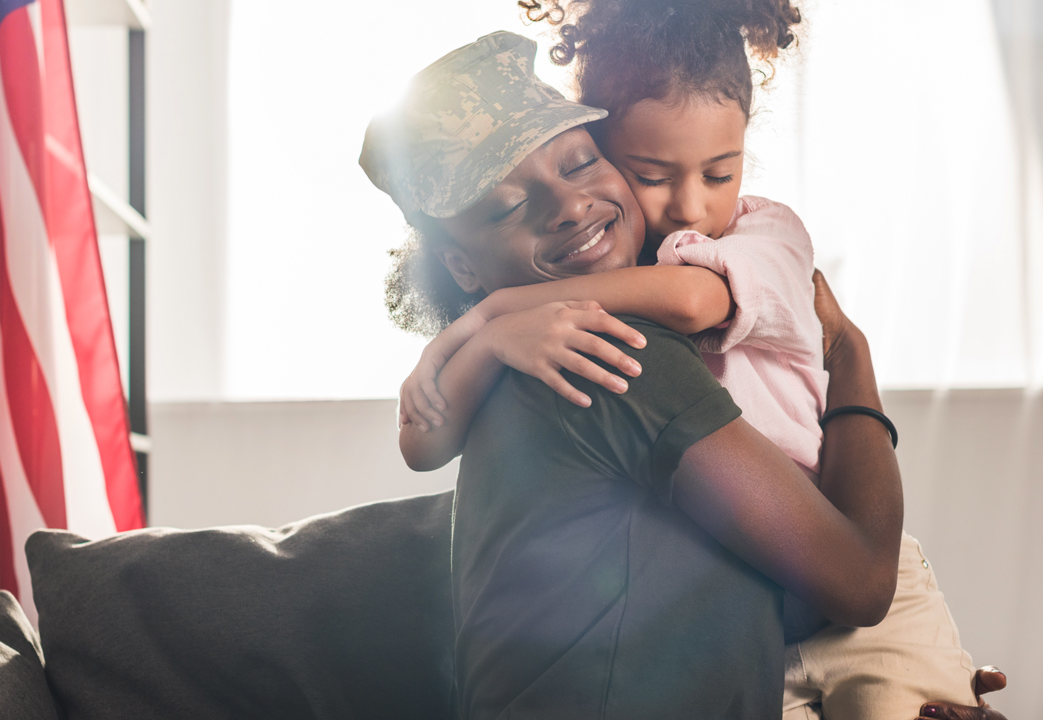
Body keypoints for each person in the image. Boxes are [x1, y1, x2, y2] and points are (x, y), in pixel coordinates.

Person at [390, 2, 986, 719]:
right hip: (807, 581)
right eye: (506, 207)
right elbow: (420, 444)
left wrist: (490, 318)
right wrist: (852, 361)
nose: (572, 206)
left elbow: (697, 300)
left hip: (817, 553)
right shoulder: (600, 352)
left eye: (578, 162)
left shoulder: (754, 235)